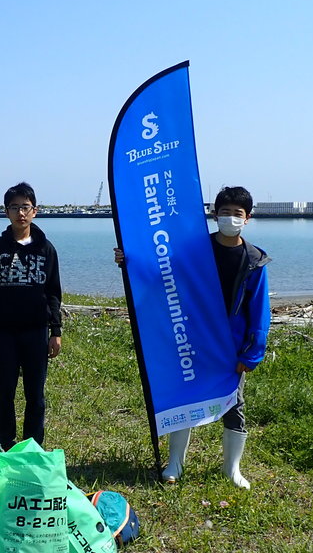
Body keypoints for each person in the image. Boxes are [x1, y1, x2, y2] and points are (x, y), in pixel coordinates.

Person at [113, 185, 271, 489]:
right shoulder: (196, 250)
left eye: (237, 214)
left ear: (247, 218)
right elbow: (162, 272)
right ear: (214, 215)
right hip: (191, 339)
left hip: (229, 349)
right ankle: (175, 463)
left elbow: (259, 310)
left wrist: (252, 354)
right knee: (185, 399)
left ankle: (231, 468)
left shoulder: (254, 260)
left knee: (234, 405)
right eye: (224, 212)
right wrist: (129, 260)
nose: (230, 218)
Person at [0, 182, 62, 450]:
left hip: (36, 331)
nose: (20, 213)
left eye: (25, 207)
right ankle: (4, 441)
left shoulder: (46, 249)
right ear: (6, 212)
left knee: (35, 394)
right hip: (3, 333)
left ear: (34, 211)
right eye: (15, 207)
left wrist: (56, 331)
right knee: (5, 392)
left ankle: (33, 444)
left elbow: (53, 292)